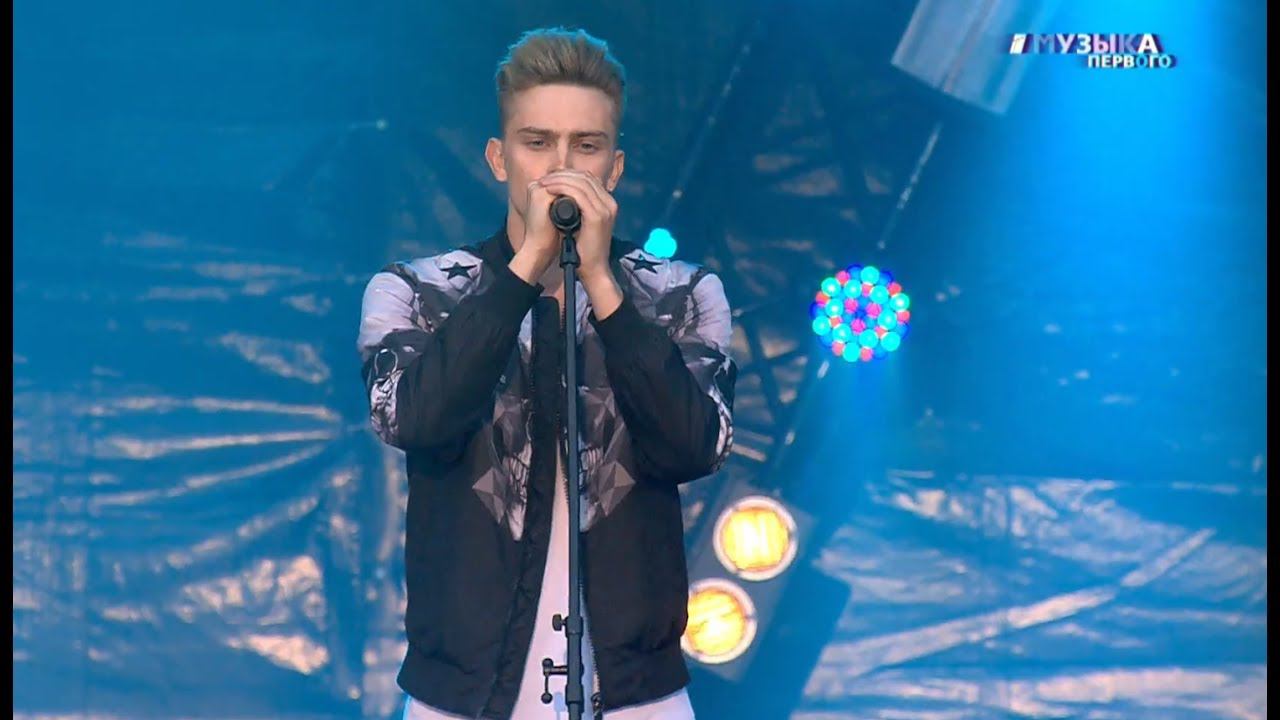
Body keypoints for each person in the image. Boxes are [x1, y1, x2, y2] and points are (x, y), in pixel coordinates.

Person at [357, 27, 736, 720]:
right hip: (463, 695)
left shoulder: (682, 293)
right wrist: (525, 267)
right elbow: (413, 420)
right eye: (537, 143)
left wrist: (602, 284)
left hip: (636, 695)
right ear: (498, 158)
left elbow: (695, 447)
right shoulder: (416, 291)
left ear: (614, 169)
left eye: (585, 147)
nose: (560, 168)